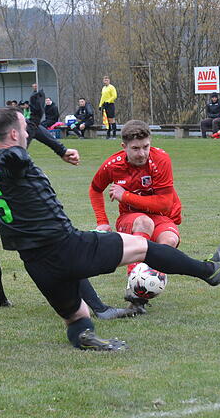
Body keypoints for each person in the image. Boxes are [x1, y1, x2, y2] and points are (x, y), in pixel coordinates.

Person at [0, 107, 220, 350]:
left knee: (78, 317)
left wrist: (55, 144)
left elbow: (12, 154)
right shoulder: (12, 158)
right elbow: (15, 155)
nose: (28, 133)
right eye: (24, 129)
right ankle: (208, 270)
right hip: (66, 247)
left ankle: (87, 340)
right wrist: (37, 124)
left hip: (35, 261)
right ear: (13, 135)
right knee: (143, 247)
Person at [0, 102, 131, 319]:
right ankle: (99, 307)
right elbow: (34, 127)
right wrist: (62, 150)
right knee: (55, 245)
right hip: (14, 194)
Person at [89, 120, 185, 311]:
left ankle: (146, 288)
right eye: (135, 148)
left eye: (146, 147)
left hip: (160, 215)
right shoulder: (112, 165)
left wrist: (124, 195)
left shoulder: (161, 160)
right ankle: (134, 290)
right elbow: (95, 189)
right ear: (124, 147)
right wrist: (102, 222)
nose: (142, 153)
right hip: (131, 218)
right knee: (144, 223)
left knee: (170, 240)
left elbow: (164, 203)